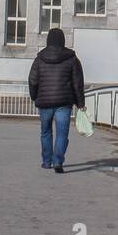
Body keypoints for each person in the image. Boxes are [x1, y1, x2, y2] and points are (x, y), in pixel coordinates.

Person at [28, 27, 85, 173]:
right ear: (63, 41)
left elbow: (33, 80)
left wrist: (34, 96)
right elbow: (77, 83)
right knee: (62, 133)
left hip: (45, 103)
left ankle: (47, 162)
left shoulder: (39, 59)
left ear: (48, 41)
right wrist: (80, 104)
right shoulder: (72, 59)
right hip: (64, 103)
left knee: (45, 132)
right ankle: (58, 161)